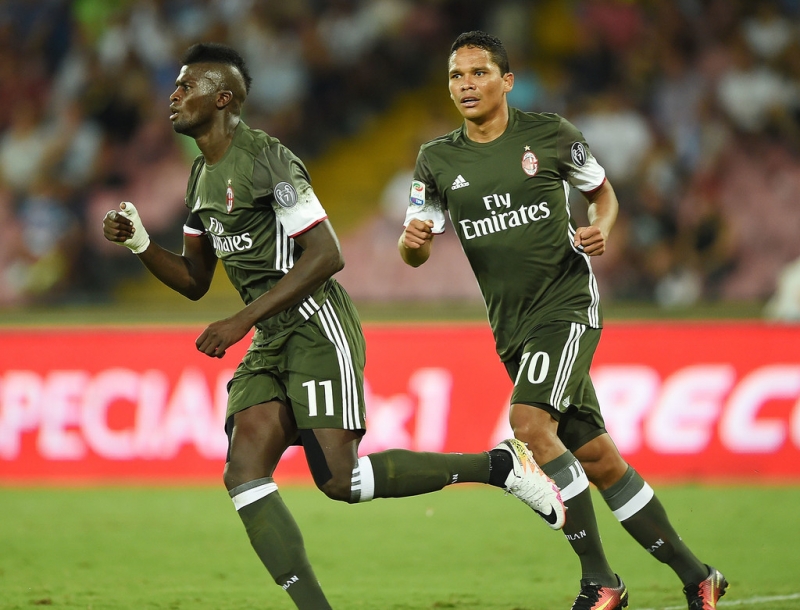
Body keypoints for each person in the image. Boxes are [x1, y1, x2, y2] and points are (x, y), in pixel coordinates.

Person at [102, 42, 565, 610]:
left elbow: (327, 254)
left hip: (317, 325)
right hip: (270, 336)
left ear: (222, 98)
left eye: (186, 86)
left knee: (341, 482)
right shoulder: (201, 175)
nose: (173, 96)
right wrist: (142, 244)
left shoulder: (268, 160)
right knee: (243, 472)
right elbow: (196, 279)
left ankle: (499, 467)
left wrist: (240, 319)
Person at [398, 31, 727, 610]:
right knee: (598, 458)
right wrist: (413, 241)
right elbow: (414, 251)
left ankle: (601, 581)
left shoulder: (550, 135)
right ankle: (699, 576)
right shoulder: (437, 159)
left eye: (479, 73)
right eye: (456, 76)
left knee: (528, 422)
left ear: (507, 81)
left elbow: (604, 195)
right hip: (511, 327)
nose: (466, 85)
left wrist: (602, 226)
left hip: (566, 304)